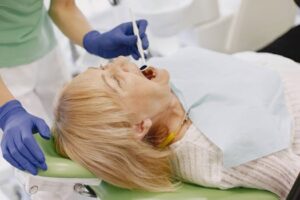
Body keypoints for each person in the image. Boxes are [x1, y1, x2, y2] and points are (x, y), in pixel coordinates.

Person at [52, 48, 300, 200]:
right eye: (116, 80)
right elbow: (293, 181)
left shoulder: (166, 96)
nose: (120, 61)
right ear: (139, 126)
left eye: (105, 66)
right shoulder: (219, 151)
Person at [0, 0, 149, 175]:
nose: (119, 63)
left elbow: (63, 6)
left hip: (45, 48)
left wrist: (93, 40)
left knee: (74, 127)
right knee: (39, 160)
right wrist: (7, 112)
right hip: (5, 73)